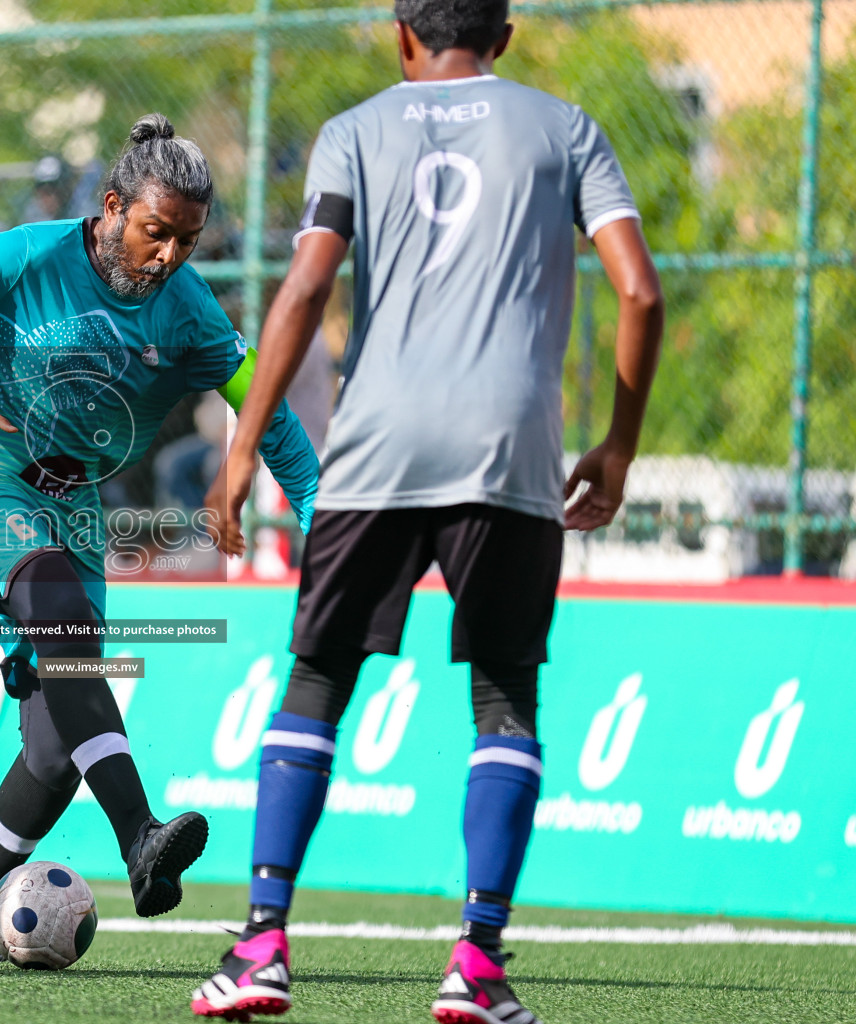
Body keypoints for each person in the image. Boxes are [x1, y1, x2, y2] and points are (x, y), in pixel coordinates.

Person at [190, 1, 664, 1020]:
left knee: (316, 676)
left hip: (376, 448)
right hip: (509, 449)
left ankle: (263, 942)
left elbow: (306, 289)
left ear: (403, 36)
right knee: (503, 698)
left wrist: (242, 449)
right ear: (506, 34)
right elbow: (640, 294)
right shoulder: (566, 128)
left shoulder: (355, 130)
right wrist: (618, 446)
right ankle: (477, 962)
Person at [0, 114, 318, 954]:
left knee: (58, 744)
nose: (169, 256)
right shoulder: (28, 256)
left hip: (71, 508)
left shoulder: (190, 313)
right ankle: (139, 835)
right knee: (57, 609)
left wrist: (324, 527)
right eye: (154, 233)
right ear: (110, 207)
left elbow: (267, 408)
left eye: (187, 240)